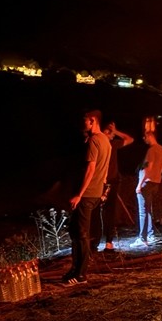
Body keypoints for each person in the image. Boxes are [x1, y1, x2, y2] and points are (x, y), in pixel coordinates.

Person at [62, 109, 111, 285]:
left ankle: (81, 274)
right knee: (75, 231)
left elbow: (91, 169)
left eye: (85, 120)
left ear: (92, 120)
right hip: (95, 192)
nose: (82, 123)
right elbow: (104, 169)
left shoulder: (94, 141)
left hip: (87, 194)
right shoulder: (105, 140)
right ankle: (74, 269)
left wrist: (78, 194)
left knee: (81, 233)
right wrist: (103, 189)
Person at [98, 121, 136, 251]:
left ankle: (109, 242)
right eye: (107, 132)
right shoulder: (98, 145)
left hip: (112, 181)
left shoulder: (113, 144)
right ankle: (94, 241)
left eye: (110, 134)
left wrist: (116, 131)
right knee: (96, 211)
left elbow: (130, 139)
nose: (109, 135)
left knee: (110, 212)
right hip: (99, 182)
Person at [133, 119, 162, 248]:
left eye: (144, 137)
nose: (144, 139)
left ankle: (142, 238)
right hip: (155, 182)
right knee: (148, 210)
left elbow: (148, 167)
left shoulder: (151, 151)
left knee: (143, 211)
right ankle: (150, 235)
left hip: (146, 184)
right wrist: (157, 176)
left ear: (149, 136)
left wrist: (139, 184)